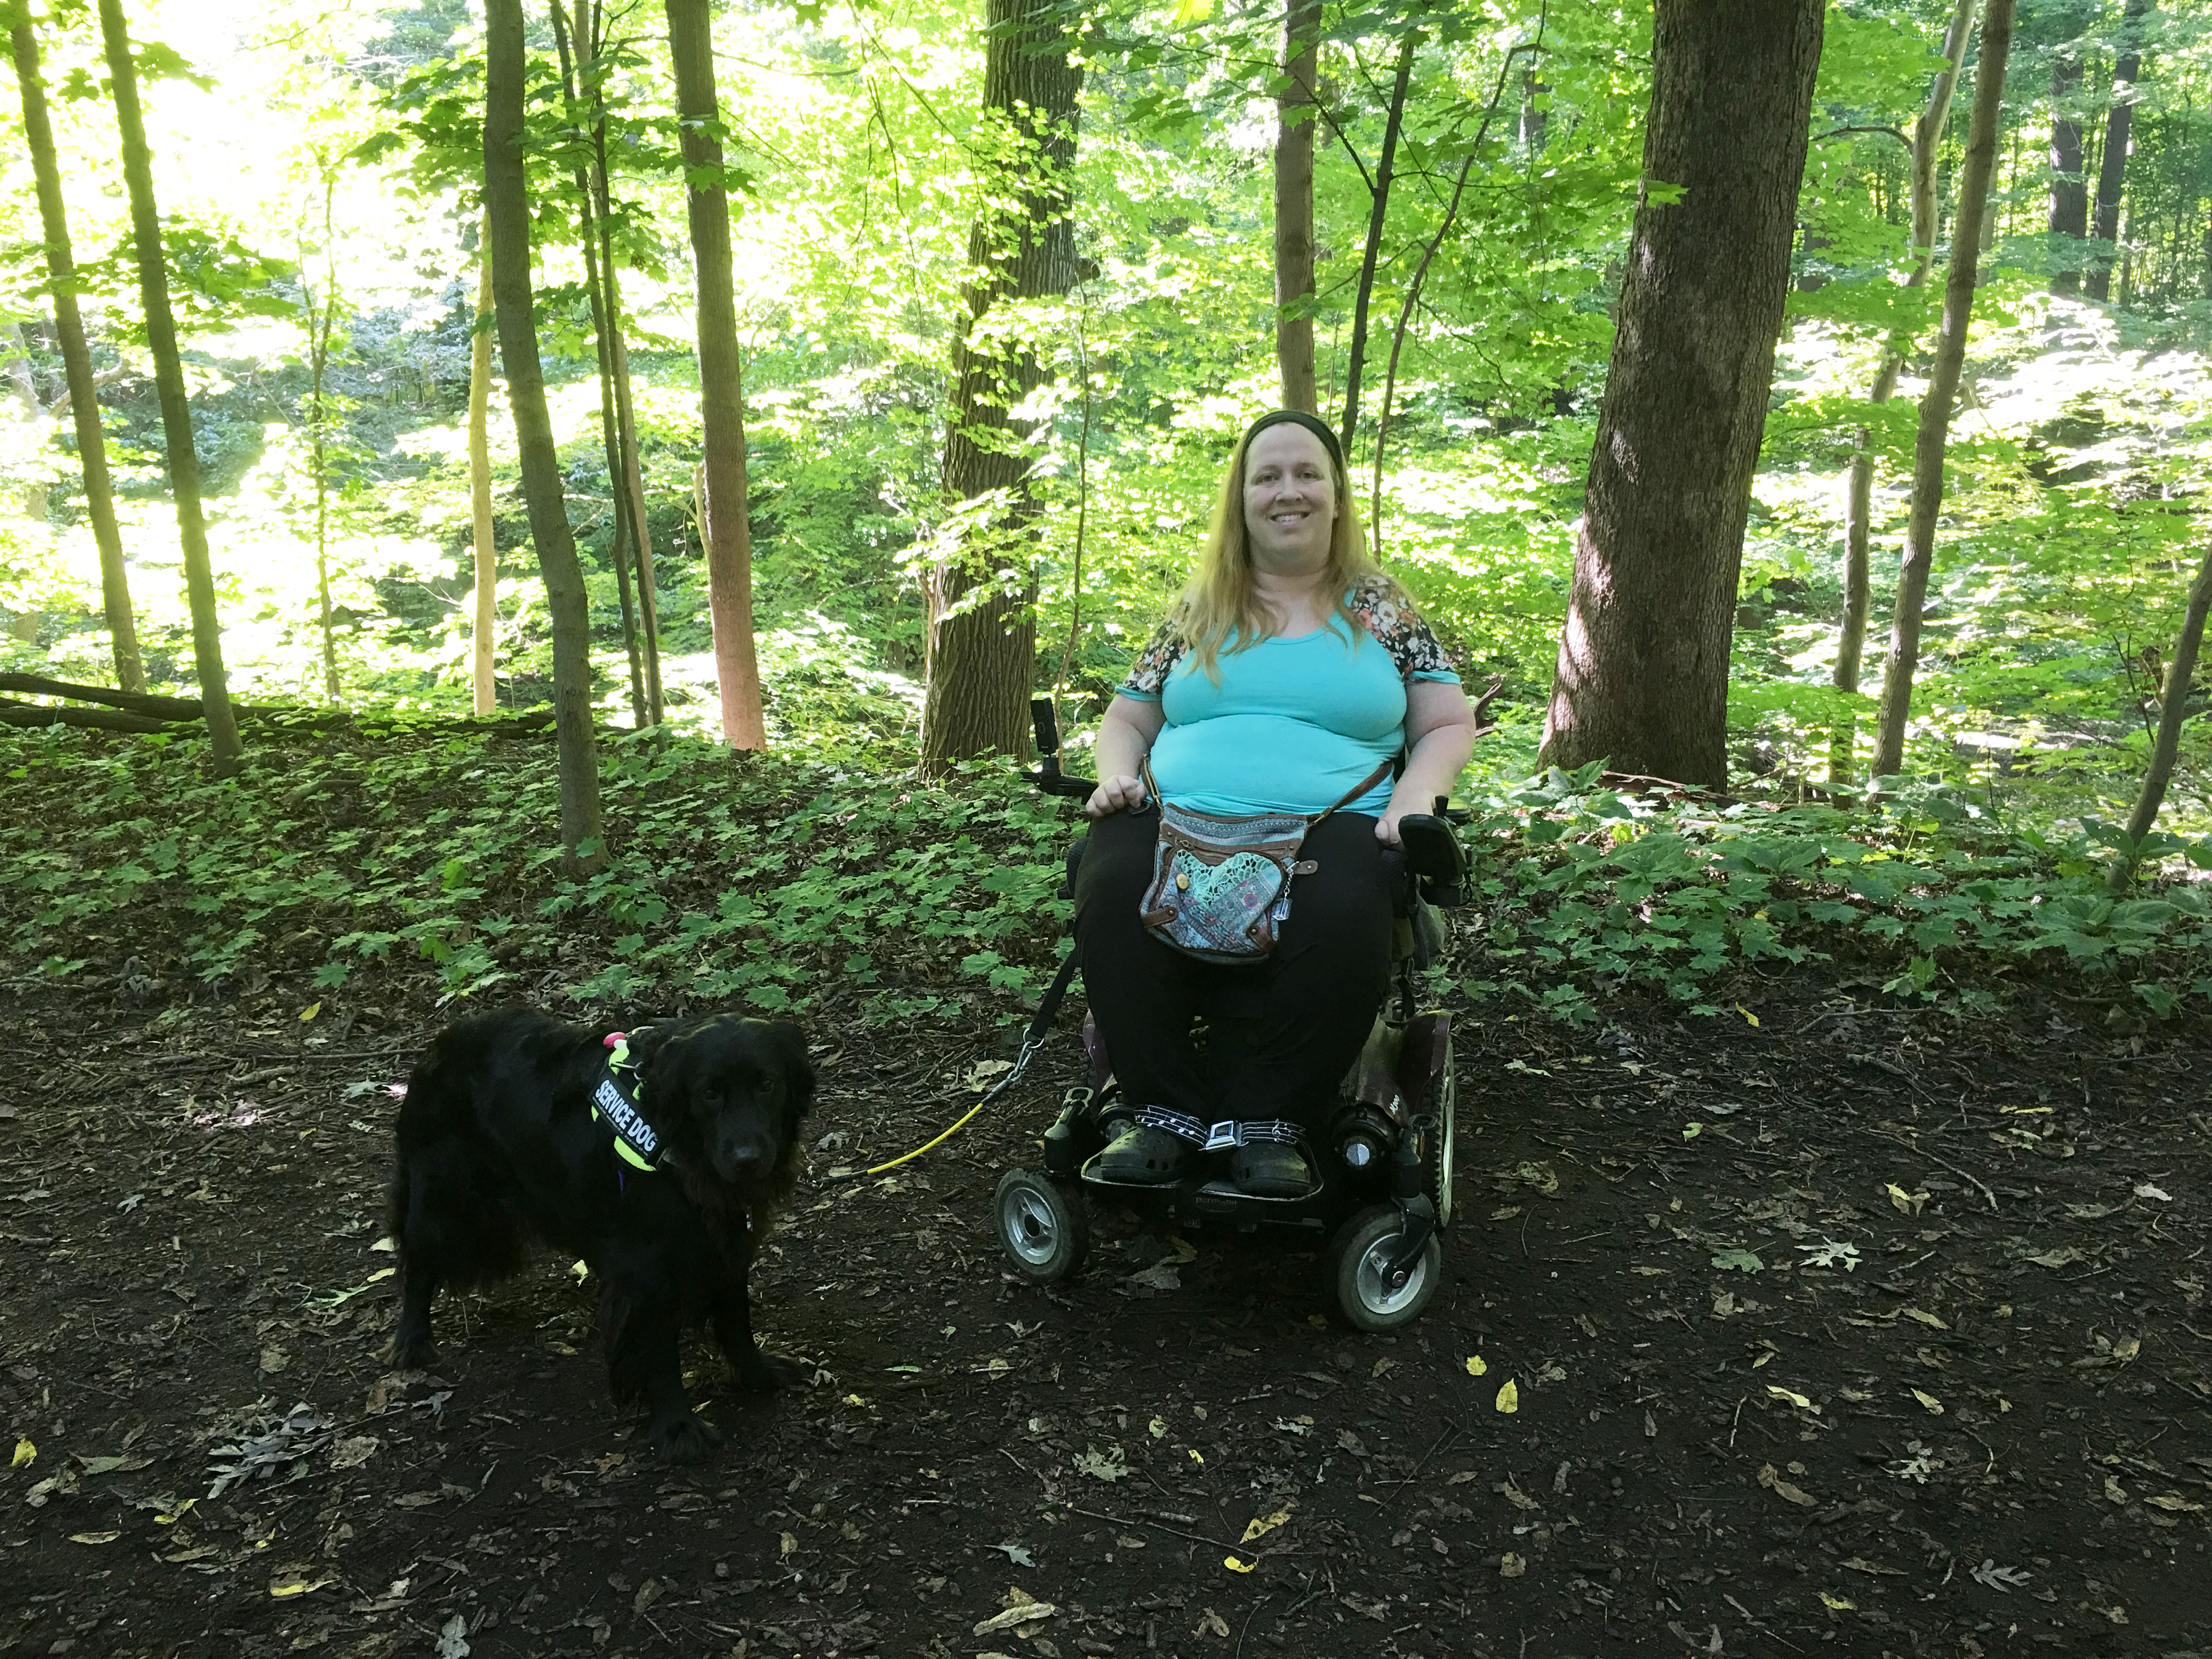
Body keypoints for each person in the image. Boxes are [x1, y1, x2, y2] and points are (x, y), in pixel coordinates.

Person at [1075, 408, 1478, 1197]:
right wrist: (1115, 771)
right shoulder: (1197, 613)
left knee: (1353, 894)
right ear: (1243, 498)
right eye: (1268, 476)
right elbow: (1126, 718)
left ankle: (1271, 1120)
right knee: (1110, 872)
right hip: (1178, 819)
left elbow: (1447, 723)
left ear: (1334, 496)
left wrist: (1417, 795)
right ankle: (1162, 1113)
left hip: (1335, 825)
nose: (1286, 491)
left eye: (1305, 474)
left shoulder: (1380, 608)